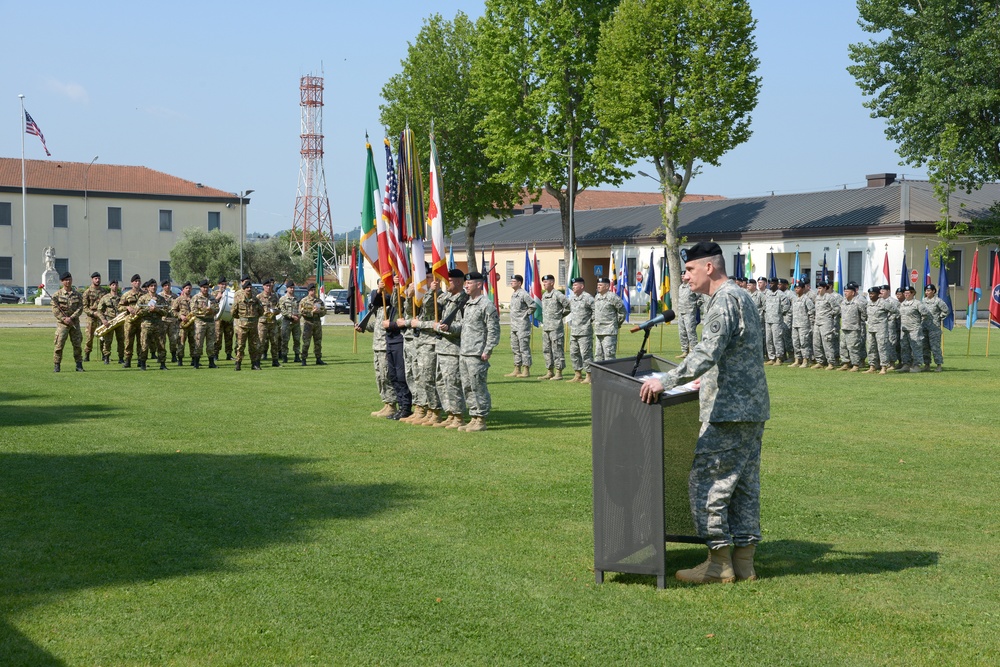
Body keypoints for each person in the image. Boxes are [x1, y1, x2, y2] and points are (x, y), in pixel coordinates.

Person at [638, 242, 769, 584]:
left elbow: (708, 350)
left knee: (707, 484)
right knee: (742, 486)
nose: (685, 276)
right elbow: (735, 353)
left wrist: (665, 380)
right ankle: (743, 563)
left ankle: (718, 564)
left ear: (709, 268)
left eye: (689, 270)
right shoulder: (740, 296)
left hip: (728, 410)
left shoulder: (724, 299)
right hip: (749, 407)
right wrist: (705, 380)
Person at [444, 271, 500, 432]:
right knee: (467, 387)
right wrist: (448, 327)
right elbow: (463, 326)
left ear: (478, 285)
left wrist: (487, 350)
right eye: (466, 283)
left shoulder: (486, 305)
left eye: (469, 283)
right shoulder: (468, 304)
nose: (466, 285)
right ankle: (474, 417)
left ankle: (481, 419)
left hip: (477, 353)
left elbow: (493, 330)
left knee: (478, 386)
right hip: (465, 351)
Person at [431, 269, 467, 429]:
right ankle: (450, 413)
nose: (447, 283)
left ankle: (458, 416)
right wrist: (432, 290)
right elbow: (429, 304)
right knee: (441, 382)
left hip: (453, 348)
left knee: (453, 383)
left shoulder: (463, 300)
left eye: (450, 281)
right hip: (442, 347)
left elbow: (465, 325)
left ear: (459, 282)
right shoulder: (448, 299)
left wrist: (448, 328)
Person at [357, 278, 397, 418]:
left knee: (387, 376)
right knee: (380, 376)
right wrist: (363, 326)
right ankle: (386, 403)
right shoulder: (379, 306)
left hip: (386, 345)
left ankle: (392, 404)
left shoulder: (391, 304)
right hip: (377, 345)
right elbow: (377, 324)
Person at [409, 275, 445, 425]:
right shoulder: (421, 296)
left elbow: (432, 311)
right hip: (420, 342)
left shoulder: (440, 296)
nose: (425, 281)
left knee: (430, 378)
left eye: (429, 278)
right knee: (420, 377)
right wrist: (409, 296)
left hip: (432, 342)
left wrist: (431, 291)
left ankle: (435, 411)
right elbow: (410, 313)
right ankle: (426, 409)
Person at [382, 287, 412, 420]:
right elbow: (391, 300)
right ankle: (400, 406)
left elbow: (404, 322)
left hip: (400, 340)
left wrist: (391, 324)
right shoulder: (396, 301)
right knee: (393, 375)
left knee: (401, 375)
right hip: (390, 340)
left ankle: (406, 407)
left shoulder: (408, 302)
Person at [51, 271, 85, 372]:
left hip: (74, 323)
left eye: (69, 279)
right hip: (62, 325)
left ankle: (79, 365)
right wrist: (64, 319)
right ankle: (57, 365)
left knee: (77, 345)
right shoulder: (57, 295)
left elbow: (80, 307)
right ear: (62, 281)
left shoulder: (77, 294)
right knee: (59, 345)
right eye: (66, 280)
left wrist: (72, 318)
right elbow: (55, 309)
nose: (68, 282)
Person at [539, 274, 570, 380]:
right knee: (546, 350)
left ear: (552, 283)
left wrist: (560, 316)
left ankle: (559, 372)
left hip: (556, 327)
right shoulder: (544, 295)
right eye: (543, 282)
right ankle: (549, 371)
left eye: (546, 282)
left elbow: (568, 306)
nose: (544, 284)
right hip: (546, 327)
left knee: (557, 349)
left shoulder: (558, 295)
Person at [567, 276, 595, 383]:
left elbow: (596, 311)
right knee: (574, 353)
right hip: (574, 331)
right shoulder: (572, 298)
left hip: (584, 332)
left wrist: (589, 321)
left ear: (581, 286)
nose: (573, 287)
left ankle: (589, 375)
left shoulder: (588, 298)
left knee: (586, 354)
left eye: (575, 285)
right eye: (573, 285)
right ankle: (577, 374)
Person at [506, 274, 535, 377]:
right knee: (515, 348)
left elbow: (533, 306)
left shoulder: (523, 294)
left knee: (524, 348)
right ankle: (517, 368)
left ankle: (526, 370)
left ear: (519, 283)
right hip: (514, 325)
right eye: (511, 281)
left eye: (514, 281)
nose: (511, 283)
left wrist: (524, 315)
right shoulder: (514, 294)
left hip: (522, 325)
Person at [232, 278, 263, 371]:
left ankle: (255, 364)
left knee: (254, 346)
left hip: (253, 326)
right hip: (242, 327)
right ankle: (238, 363)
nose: (249, 289)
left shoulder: (255, 299)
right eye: (247, 287)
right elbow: (233, 312)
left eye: (250, 287)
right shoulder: (239, 299)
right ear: (244, 289)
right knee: (240, 346)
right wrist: (242, 319)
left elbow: (261, 311)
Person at [593, 276, 626, 363]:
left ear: (607, 286)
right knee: (598, 355)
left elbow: (622, 312)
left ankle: (610, 376)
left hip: (609, 331)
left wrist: (616, 324)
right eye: (598, 285)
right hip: (598, 331)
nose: (598, 286)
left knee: (609, 355)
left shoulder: (613, 297)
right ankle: (599, 375)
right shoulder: (597, 297)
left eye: (600, 285)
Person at [136, 279, 167, 370]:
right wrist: (148, 310)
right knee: (144, 345)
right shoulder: (143, 298)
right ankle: (143, 364)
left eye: (155, 286)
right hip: (146, 324)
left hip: (158, 324)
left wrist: (157, 310)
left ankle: (162, 363)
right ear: (148, 288)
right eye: (151, 286)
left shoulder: (160, 298)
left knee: (161, 344)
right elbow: (137, 312)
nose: (153, 288)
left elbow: (166, 312)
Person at [190, 279, 219, 368]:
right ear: (200, 288)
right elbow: (193, 311)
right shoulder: (196, 297)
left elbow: (217, 309)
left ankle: (211, 362)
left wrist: (212, 310)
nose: (205, 289)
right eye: (204, 288)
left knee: (211, 343)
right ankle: (196, 362)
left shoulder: (212, 298)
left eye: (207, 288)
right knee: (198, 343)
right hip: (200, 322)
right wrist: (204, 312)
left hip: (210, 323)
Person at [839, 282, 868, 371]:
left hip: (854, 328)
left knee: (853, 347)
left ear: (853, 292)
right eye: (845, 291)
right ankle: (846, 363)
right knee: (843, 346)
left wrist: (860, 322)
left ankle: (856, 364)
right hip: (844, 327)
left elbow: (864, 314)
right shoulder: (843, 302)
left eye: (847, 291)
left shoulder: (858, 302)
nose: (845, 293)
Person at [899, 285, 927, 372]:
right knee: (905, 348)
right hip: (904, 329)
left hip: (914, 329)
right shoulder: (902, 304)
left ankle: (917, 365)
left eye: (908, 293)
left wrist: (919, 324)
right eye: (905, 293)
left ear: (913, 293)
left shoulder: (917, 303)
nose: (906, 295)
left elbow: (925, 314)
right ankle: (906, 364)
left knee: (916, 347)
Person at [96, 279, 125, 365]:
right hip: (109, 321)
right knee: (107, 340)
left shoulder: (122, 297)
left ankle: (121, 357)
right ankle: (106, 357)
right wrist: (103, 320)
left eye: (116, 285)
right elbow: (99, 310)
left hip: (120, 321)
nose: (115, 286)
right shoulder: (105, 298)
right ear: (110, 286)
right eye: (113, 285)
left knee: (121, 340)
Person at [921, 284, 948, 372]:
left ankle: (939, 365)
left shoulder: (938, 301)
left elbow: (946, 311)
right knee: (925, 347)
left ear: (933, 291)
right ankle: (927, 364)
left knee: (935, 347)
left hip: (934, 328)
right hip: (924, 326)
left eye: (929, 291)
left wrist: (939, 318)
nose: (927, 292)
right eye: (926, 291)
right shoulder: (923, 300)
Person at [299, 284, 327, 365]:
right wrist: (312, 312)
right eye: (311, 290)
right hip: (308, 324)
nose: (313, 291)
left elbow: (324, 311)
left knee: (318, 342)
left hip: (317, 324)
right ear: (308, 291)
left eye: (314, 290)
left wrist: (320, 312)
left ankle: (318, 358)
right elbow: (302, 312)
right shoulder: (304, 301)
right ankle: (303, 359)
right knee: (306, 343)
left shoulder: (319, 301)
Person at [763, 277, 790, 365]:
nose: (770, 285)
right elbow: (764, 305)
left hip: (777, 321)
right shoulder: (767, 294)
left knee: (777, 339)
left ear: (776, 284)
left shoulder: (781, 294)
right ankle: (772, 357)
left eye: (772, 283)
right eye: (769, 283)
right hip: (768, 320)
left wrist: (779, 313)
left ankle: (779, 357)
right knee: (769, 340)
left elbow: (786, 306)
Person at [119, 274, 143, 368]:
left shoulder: (144, 294)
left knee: (141, 341)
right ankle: (128, 360)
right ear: (132, 283)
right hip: (130, 321)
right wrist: (127, 307)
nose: (137, 283)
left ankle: (141, 360)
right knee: (128, 341)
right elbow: (119, 307)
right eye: (135, 281)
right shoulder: (126, 294)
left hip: (141, 320)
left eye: (138, 281)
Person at [864, 286, 889, 374]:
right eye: (869, 294)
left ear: (878, 294)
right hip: (871, 328)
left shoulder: (883, 303)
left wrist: (887, 320)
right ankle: (872, 366)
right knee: (871, 348)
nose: (871, 295)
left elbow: (895, 312)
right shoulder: (869, 303)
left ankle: (884, 367)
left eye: (873, 293)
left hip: (881, 329)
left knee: (882, 348)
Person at [789, 280, 814, 367]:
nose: (796, 289)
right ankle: (797, 359)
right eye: (795, 288)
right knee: (795, 342)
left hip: (804, 325)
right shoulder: (794, 299)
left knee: (804, 343)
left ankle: (805, 360)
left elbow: (811, 312)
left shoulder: (806, 299)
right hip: (795, 324)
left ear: (803, 289)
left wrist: (811, 325)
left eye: (798, 288)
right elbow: (791, 311)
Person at [257, 278, 281, 367]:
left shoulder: (275, 297)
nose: (268, 287)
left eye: (269, 286)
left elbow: (279, 309)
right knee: (261, 342)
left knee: (274, 342)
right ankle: (257, 361)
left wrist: (276, 311)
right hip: (262, 322)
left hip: (272, 322)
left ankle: (275, 361)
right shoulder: (259, 297)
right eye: (266, 286)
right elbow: (255, 310)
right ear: (263, 287)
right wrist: (263, 313)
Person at [676, 275, 702, 359]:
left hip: (689, 312)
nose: (682, 277)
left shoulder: (692, 286)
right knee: (682, 332)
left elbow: (701, 297)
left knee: (690, 332)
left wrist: (695, 305)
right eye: (681, 276)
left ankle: (694, 351)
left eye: (684, 276)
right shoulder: (680, 287)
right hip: (681, 312)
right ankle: (685, 351)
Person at [278, 280, 302, 363]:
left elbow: (300, 309)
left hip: (296, 322)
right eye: (290, 288)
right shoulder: (283, 299)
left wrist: (299, 316)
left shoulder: (297, 299)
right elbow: (282, 310)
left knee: (297, 339)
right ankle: (284, 356)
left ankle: (297, 355)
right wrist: (291, 316)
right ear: (287, 288)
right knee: (285, 340)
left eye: (293, 288)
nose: (292, 289)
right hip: (286, 321)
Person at [81, 271, 103, 362]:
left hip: (101, 317)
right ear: (92, 279)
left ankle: (104, 355)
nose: (97, 280)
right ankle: (87, 354)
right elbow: (85, 307)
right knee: (89, 337)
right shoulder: (87, 292)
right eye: (96, 279)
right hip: (91, 317)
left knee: (103, 336)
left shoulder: (104, 291)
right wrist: (93, 313)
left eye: (99, 278)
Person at [173, 281, 193, 366]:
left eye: (189, 288)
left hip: (193, 324)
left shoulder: (194, 299)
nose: (188, 290)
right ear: (183, 289)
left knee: (194, 342)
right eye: (186, 288)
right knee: (181, 342)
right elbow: (173, 310)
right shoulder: (178, 299)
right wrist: (180, 316)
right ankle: (180, 360)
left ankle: (194, 360)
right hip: (182, 324)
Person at [214, 277, 235, 361]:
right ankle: (215, 354)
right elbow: (210, 304)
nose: (224, 285)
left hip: (228, 318)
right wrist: (217, 297)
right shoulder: (214, 293)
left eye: (225, 284)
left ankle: (229, 354)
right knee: (217, 337)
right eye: (222, 284)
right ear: (218, 284)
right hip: (218, 319)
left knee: (229, 336)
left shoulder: (230, 293)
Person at [159, 279, 179, 364]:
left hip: (173, 321)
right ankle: (161, 356)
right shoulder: (159, 296)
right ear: (163, 287)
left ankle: (174, 355)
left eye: (169, 285)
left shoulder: (175, 296)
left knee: (174, 339)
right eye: (165, 285)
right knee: (161, 340)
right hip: (163, 320)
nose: (167, 287)